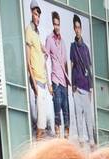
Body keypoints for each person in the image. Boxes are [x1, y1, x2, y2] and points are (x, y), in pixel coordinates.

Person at [25, 4, 55, 141]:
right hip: (36, 80)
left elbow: (42, 60)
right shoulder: (29, 31)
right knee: (41, 120)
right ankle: (37, 146)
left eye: (39, 15)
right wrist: (34, 85)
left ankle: (40, 142)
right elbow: (28, 61)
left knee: (44, 119)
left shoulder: (37, 33)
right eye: (36, 14)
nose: (37, 17)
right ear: (31, 13)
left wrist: (48, 83)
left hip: (43, 80)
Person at [45, 11, 71, 140]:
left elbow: (66, 62)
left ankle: (66, 140)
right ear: (52, 24)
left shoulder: (63, 42)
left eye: (58, 24)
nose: (57, 27)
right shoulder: (49, 39)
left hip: (64, 83)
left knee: (66, 114)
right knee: (57, 114)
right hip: (55, 81)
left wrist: (68, 81)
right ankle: (59, 140)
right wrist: (48, 83)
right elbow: (46, 60)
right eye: (55, 24)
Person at [70, 14, 95, 149]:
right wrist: (72, 85)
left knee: (88, 115)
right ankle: (81, 140)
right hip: (76, 86)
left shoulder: (85, 48)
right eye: (76, 27)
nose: (77, 30)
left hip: (85, 86)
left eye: (79, 27)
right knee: (78, 113)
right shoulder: (72, 47)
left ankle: (91, 139)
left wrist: (91, 87)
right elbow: (72, 65)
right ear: (74, 29)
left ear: (81, 29)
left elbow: (89, 68)